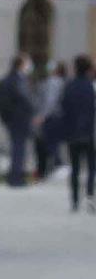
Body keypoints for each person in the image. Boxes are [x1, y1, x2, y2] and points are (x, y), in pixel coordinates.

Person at [59, 55, 96, 212]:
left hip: (72, 132)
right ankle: (89, 196)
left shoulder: (69, 86)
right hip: (90, 133)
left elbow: (63, 107)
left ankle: (74, 201)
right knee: (91, 168)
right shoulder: (91, 86)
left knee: (74, 168)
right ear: (88, 69)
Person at [0, 55, 34, 187]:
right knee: (19, 148)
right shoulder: (17, 80)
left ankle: (15, 175)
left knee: (17, 147)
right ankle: (16, 177)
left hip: (12, 119)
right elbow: (23, 98)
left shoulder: (9, 79)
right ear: (21, 64)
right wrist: (32, 108)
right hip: (19, 119)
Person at [35, 60, 67, 178]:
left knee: (50, 143)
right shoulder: (59, 82)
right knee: (53, 143)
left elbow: (50, 101)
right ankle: (54, 166)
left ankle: (57, 166)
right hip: (55, 117)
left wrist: (42, 116)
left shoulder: (53, 82)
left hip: (51, 118)